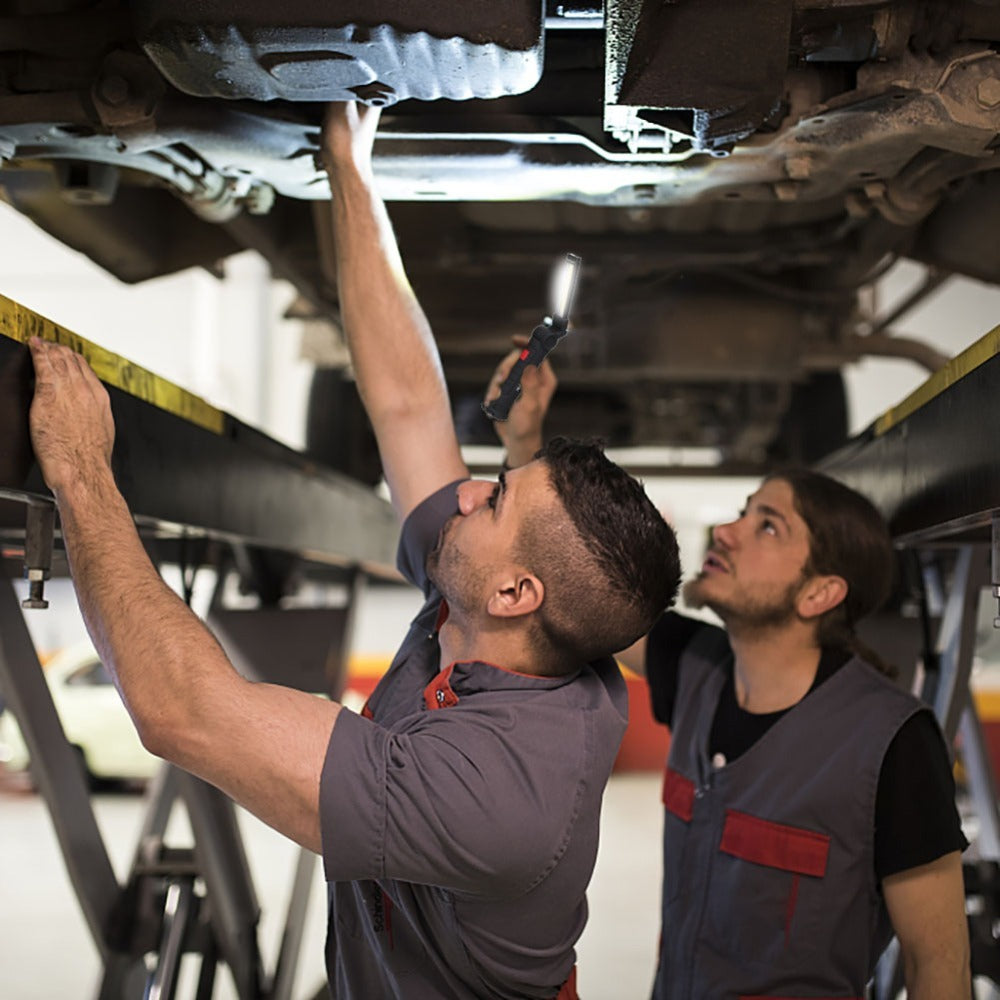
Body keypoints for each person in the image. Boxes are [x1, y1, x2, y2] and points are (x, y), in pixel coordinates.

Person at [26, 100, 680, 1000]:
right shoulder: (490, 615)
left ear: (518, 593)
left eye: (495, 498)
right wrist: (350, 166)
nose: (470, 489)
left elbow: (180, 709)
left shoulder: (502, 795)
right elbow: (408, 408)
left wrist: (83, 477)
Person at [489, 351, 972, 999]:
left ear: (819, 593)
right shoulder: (696, 667)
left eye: (767, 525)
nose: (728, 530)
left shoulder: (893, 743)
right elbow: (574, 584)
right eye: (744, 510)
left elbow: (938, 967)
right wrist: (523, 441)